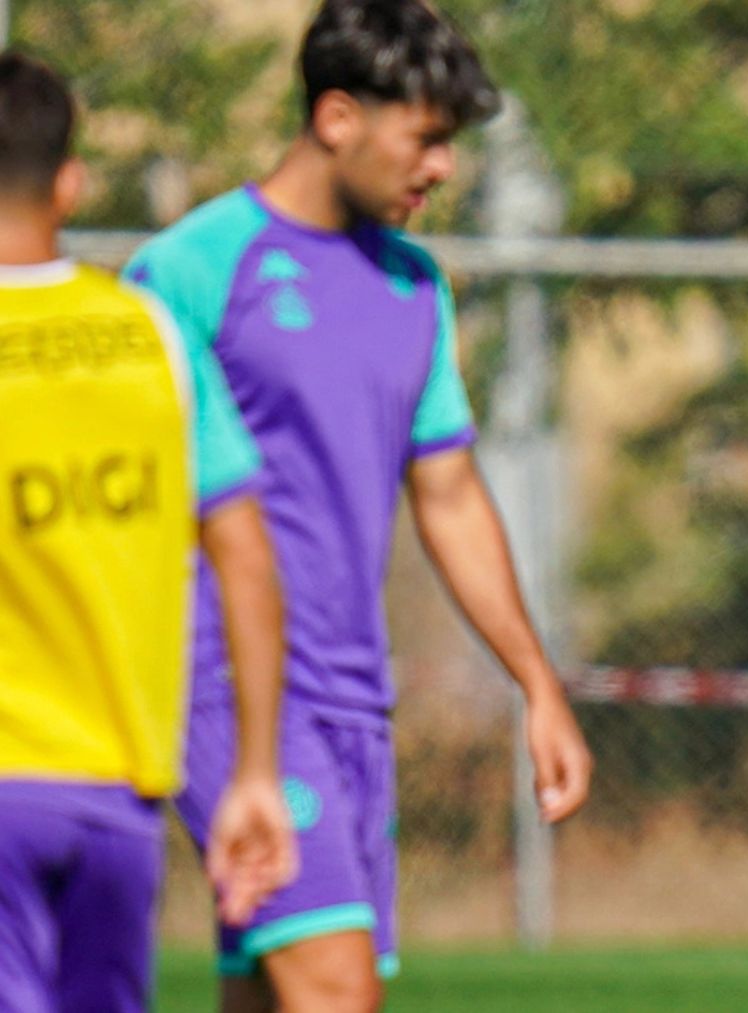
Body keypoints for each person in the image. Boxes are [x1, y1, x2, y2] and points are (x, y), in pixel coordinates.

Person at [124, 2, 593, 1008]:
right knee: (335, 986)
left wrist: (536, 682)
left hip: (352, 699)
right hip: (220, 684)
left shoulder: (414, 287)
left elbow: (452, 495)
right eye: (425, 138)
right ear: (337, 117)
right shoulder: (190, 271)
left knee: (274, 991)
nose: (443, 168)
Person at [0, 51, 295, 1013]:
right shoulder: (154, 339)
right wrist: (253, 770)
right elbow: (244, 553)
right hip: (120, 803)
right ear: (71, 179)